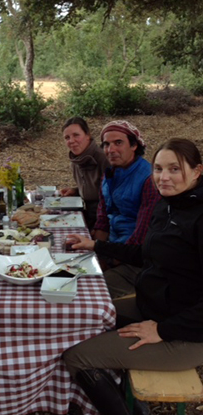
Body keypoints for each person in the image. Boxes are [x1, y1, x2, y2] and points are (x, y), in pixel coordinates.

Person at [62, 138, 203, 415]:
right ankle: (126, 401)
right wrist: (96, 245)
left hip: (186, 334)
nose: (164, 177)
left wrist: (162, 330)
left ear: (198, 171)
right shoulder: (168, 205)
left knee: (76, 357)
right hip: (153, 307)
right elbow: (147, 254)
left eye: (175, 169)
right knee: (85, 313)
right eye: (159, 169)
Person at [93, 120, 161, 298]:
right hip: (112, 250)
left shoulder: (149, 179)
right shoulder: (109, 174)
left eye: (118, 143)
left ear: (134, 146)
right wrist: (98, 256)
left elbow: (142, 234)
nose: (111, 149)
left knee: (91, 290)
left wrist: (111, 261)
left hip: (135, 261)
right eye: (106, 144)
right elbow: (102, 219)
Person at [60, 117, 110, 230]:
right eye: (67, 137)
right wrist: (76, 190)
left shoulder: (103, 159)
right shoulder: (76, 161)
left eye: (76, 135)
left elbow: (112, 199)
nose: (71, 141)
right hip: (87, 213)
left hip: (103, 219)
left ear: (88, 135)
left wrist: (100, 229)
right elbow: (94, 187)